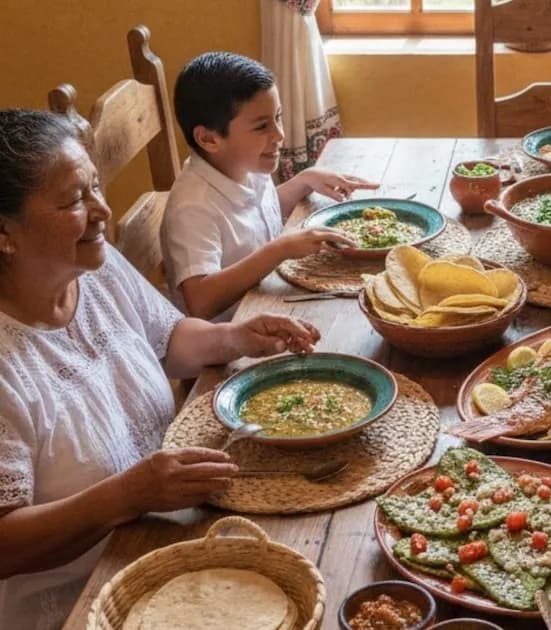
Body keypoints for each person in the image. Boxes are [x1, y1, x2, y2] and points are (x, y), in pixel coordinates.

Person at [0, 109, 323, 629]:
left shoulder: (94, 268)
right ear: (4, 233)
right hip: (83, 603)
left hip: (170, 540)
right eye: (75, 200)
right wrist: (126, 496)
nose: (103, 209)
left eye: (96, 186)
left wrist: (236, 337)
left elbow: (166, 339)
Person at [161, 51, 379, 321]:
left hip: (270, 303)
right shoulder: (193, 209)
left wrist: (303, 181)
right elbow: (201, 301)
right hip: (233, 332)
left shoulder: (242, 164)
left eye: (278, 117)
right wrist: (280, 250)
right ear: (209, 139)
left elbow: (254, 217)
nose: (279, 134)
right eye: (262, 126)